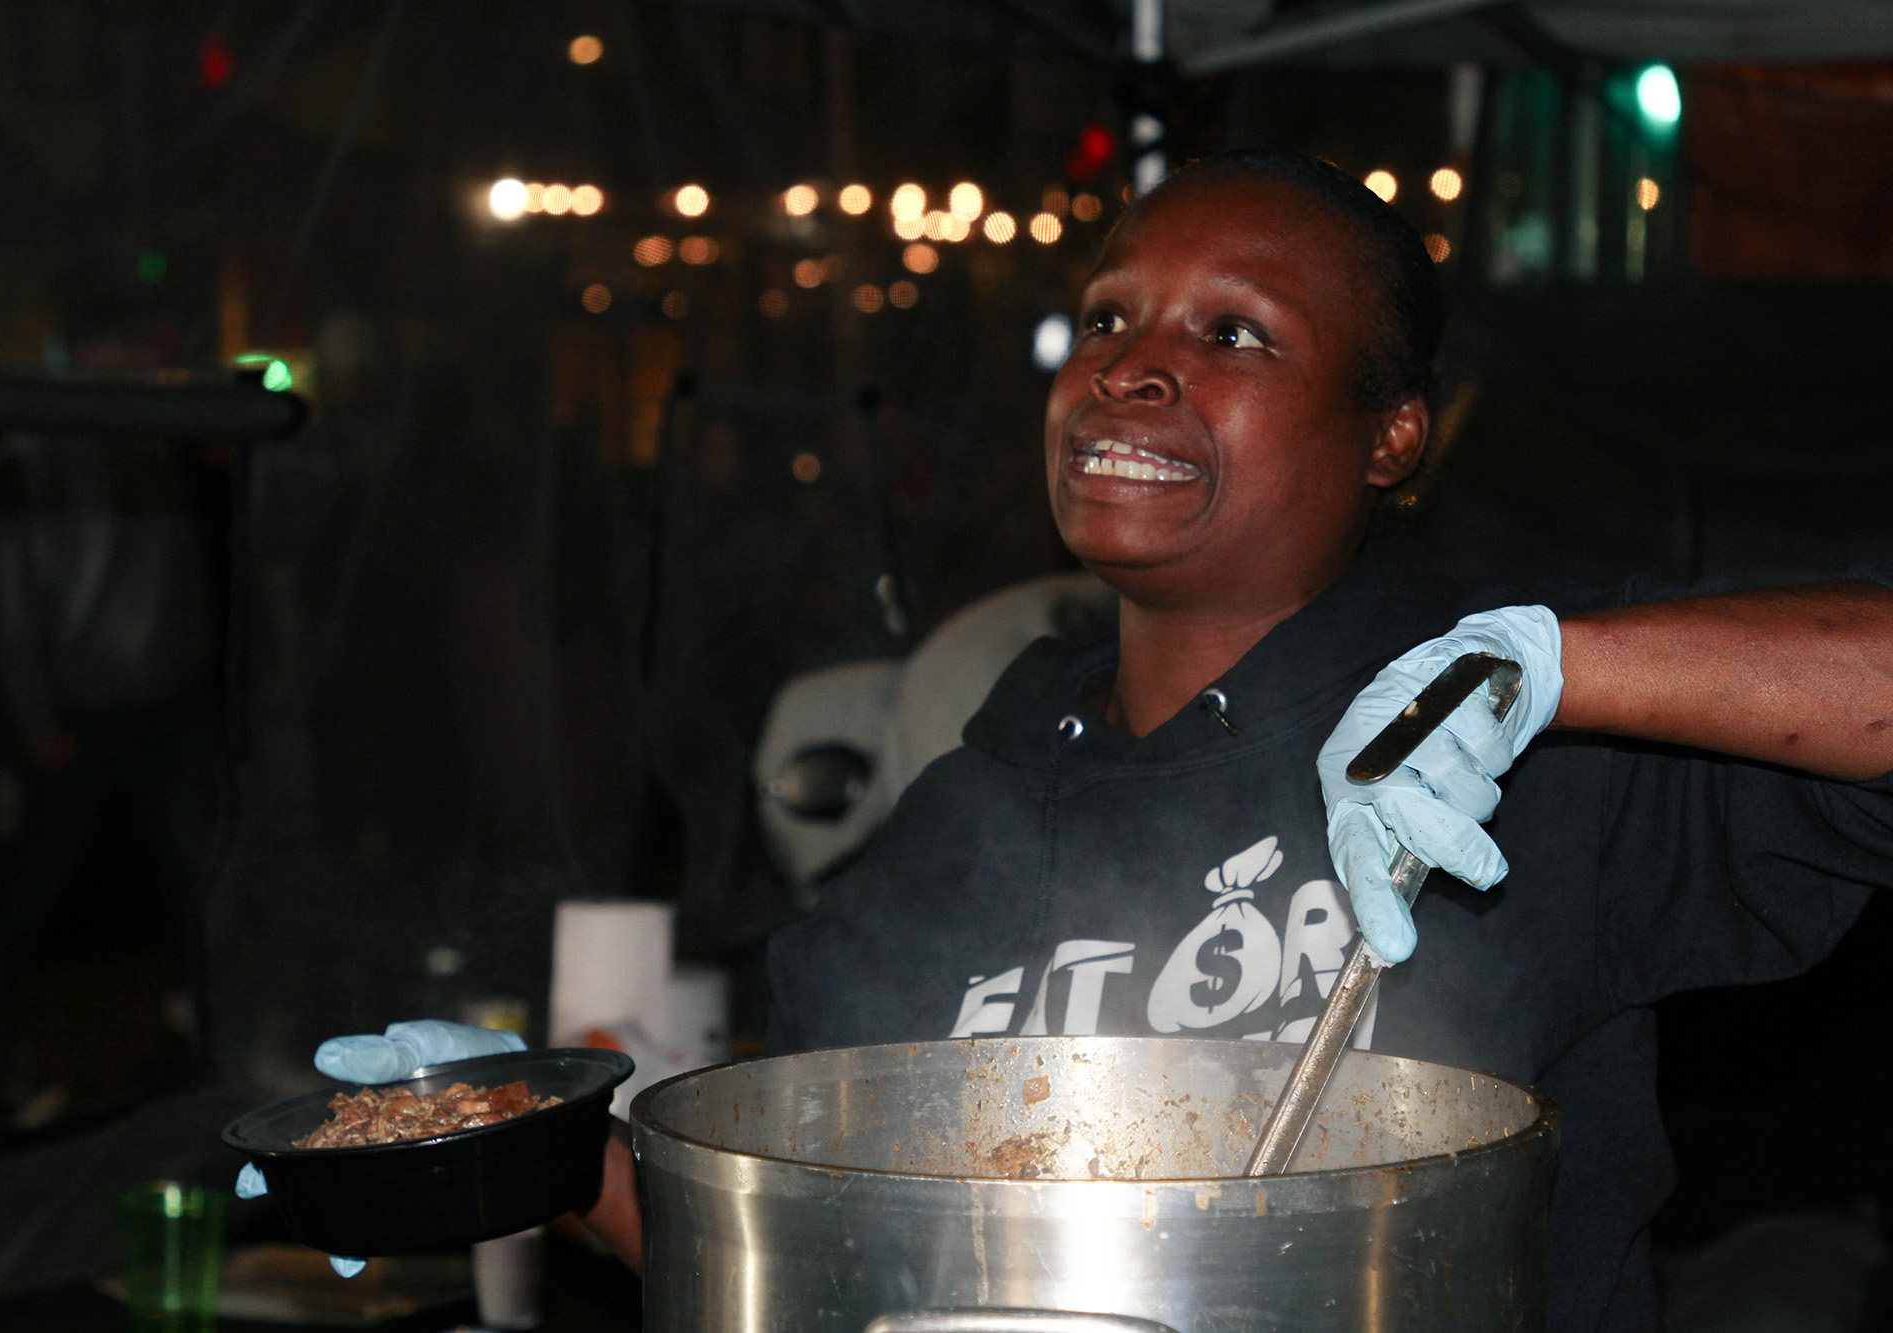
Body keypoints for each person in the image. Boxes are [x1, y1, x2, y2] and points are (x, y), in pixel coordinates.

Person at [310, 151, 1893, 1329]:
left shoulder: (1536, 735)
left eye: (1239, 334)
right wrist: (536, 1147)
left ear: (1393, 432)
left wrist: (1555, 672)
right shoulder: (974, 810)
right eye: (1109, 318)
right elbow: (815, 1248)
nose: (1132, 364)